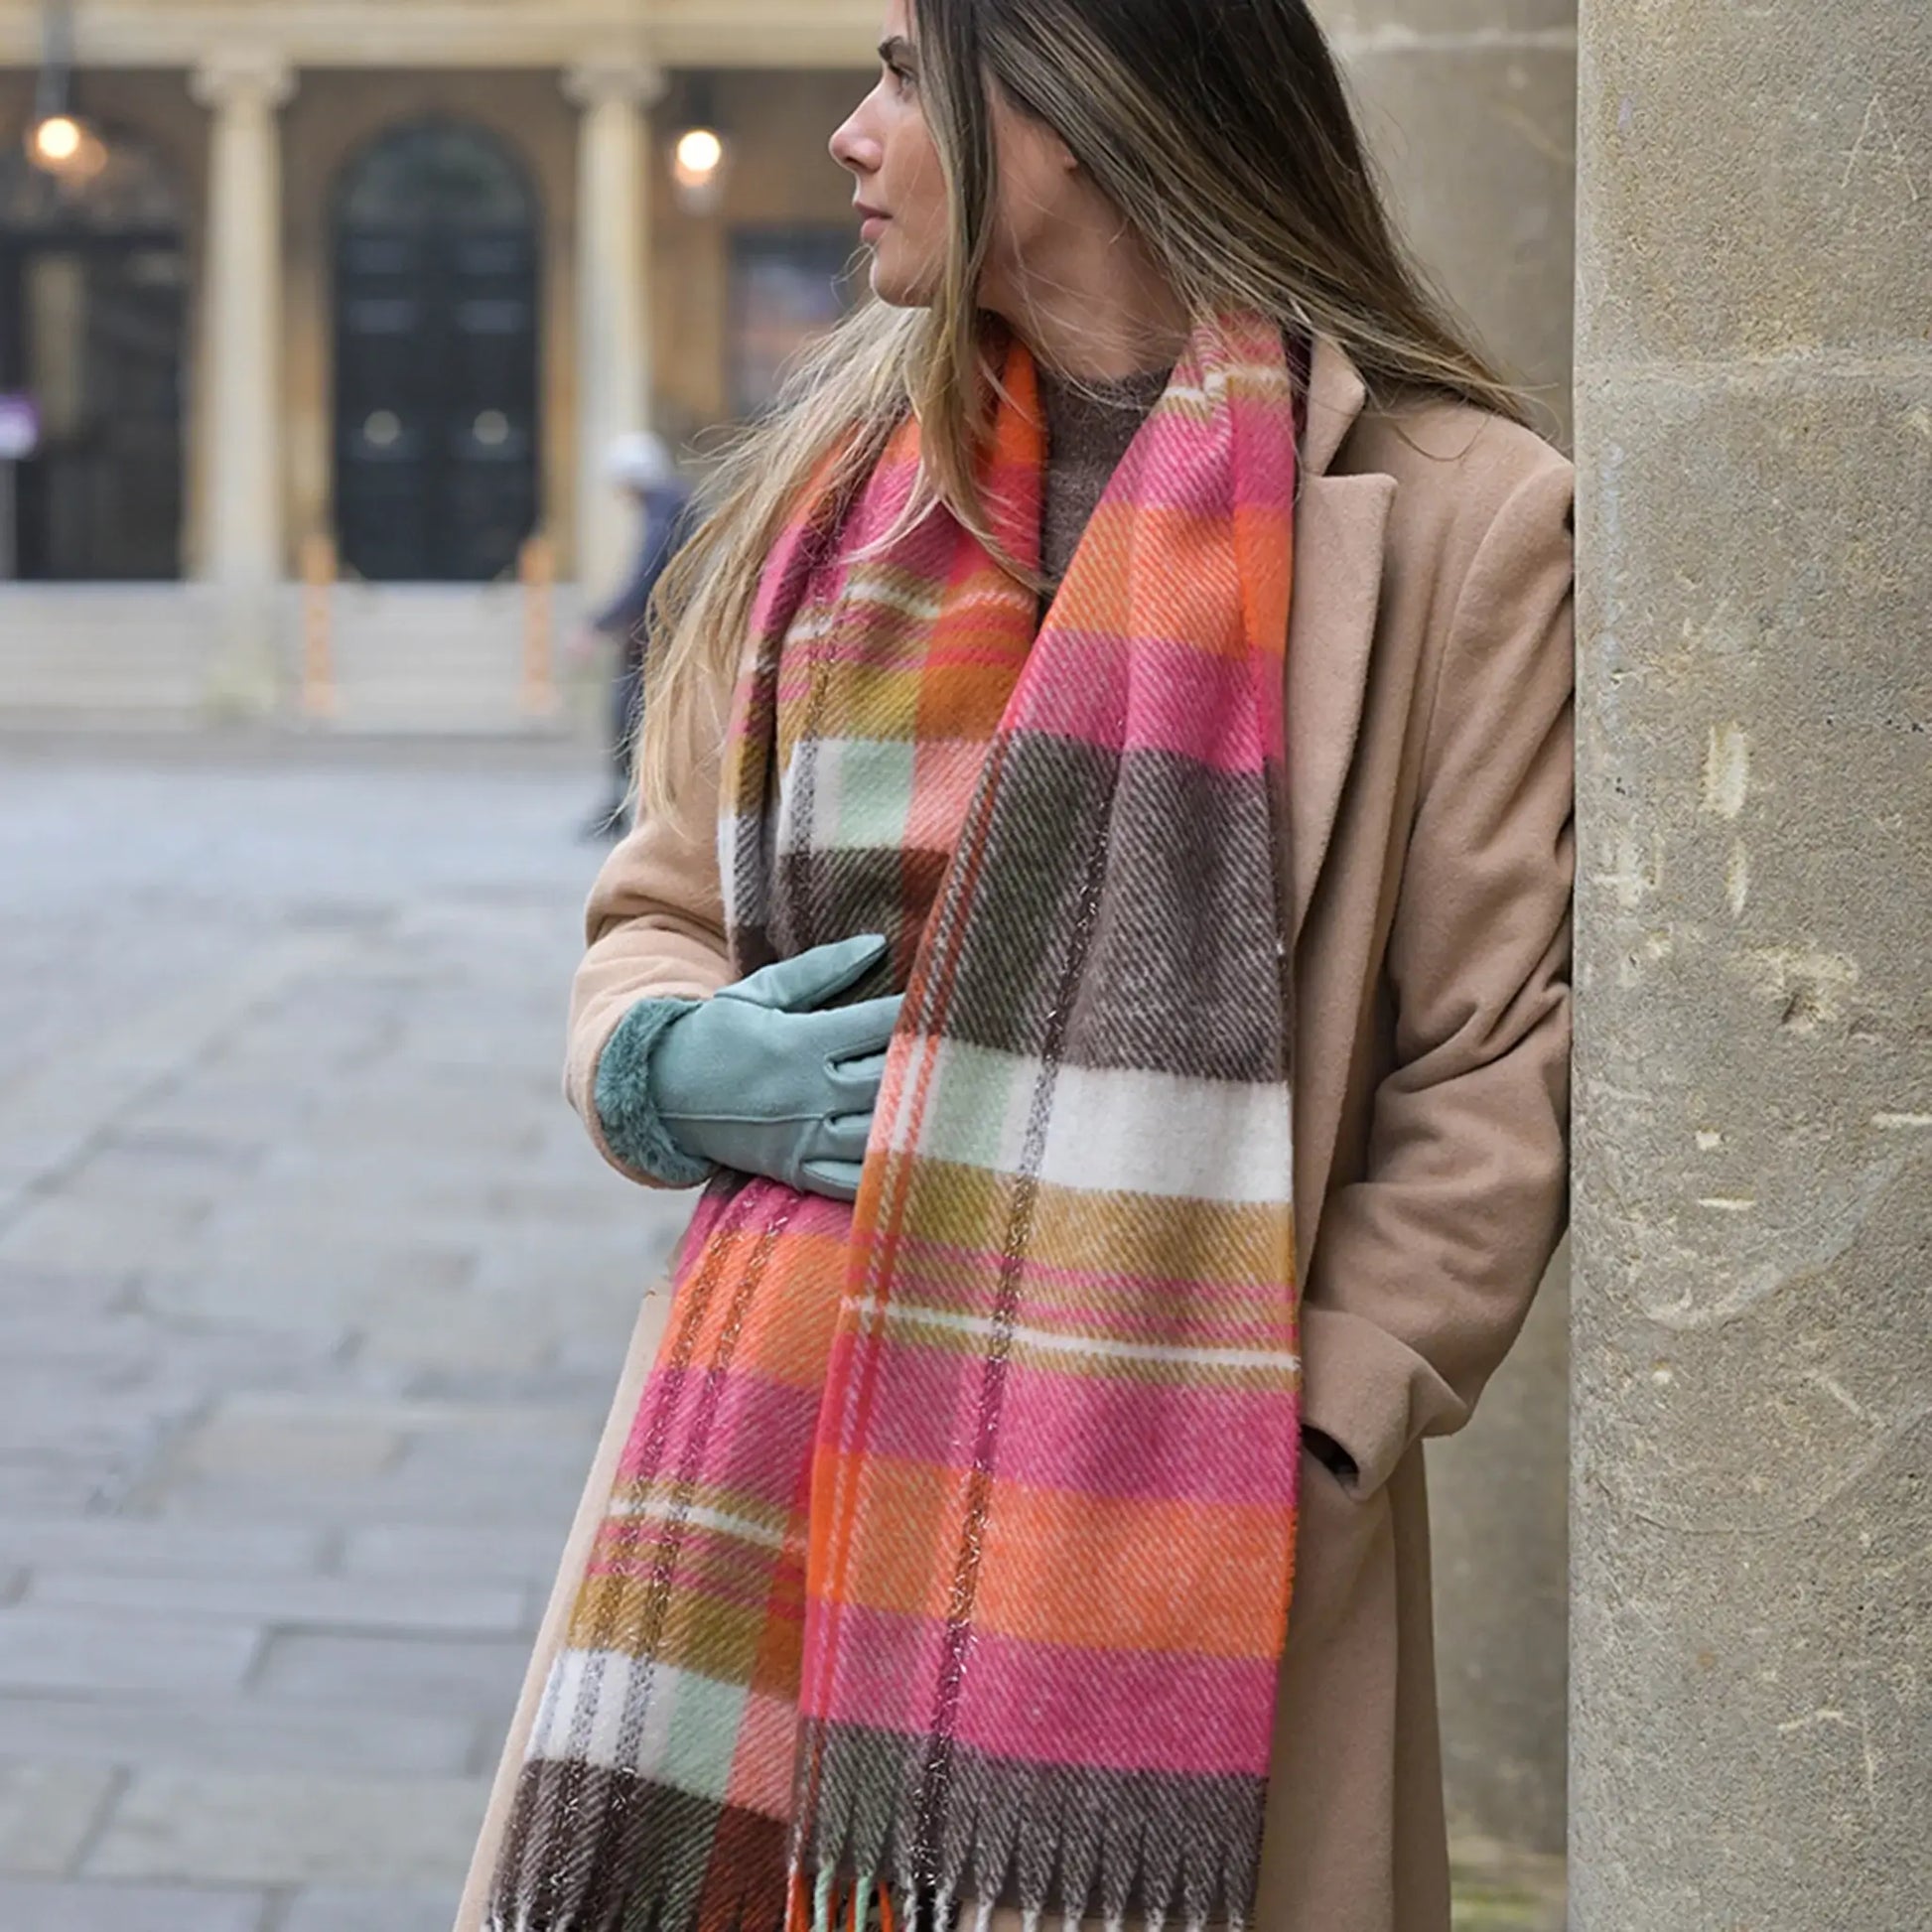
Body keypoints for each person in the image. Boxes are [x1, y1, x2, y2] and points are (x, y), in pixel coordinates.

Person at [459, 3, 1574, 1930]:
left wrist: (1306, 1428)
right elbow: (657, 909)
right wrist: (657, 1059)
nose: (850, 130)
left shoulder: (1466, 523)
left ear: (1072, 103)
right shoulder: (817, 505)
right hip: (754, 1470)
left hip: (1179, 1518)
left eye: (906, 71)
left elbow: (1491, 1068)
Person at [574, 431, 692, 839]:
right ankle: (629, 807)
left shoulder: (663, 511)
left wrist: (597, 624)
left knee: (629, 717)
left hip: (659, 640)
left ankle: (627, 809)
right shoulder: (670, 506)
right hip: (662, 636)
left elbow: (644, 579)